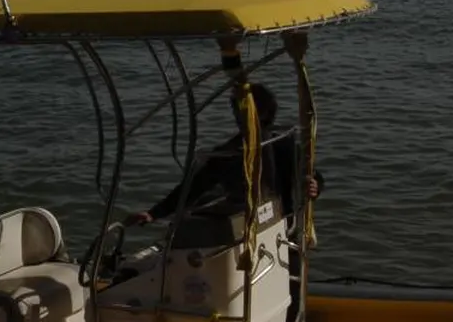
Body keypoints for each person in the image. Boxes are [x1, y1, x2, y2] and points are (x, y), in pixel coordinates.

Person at [125, 83, 321, 228]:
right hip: (245, 225)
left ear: (263, 113)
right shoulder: (229, 151)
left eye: (243, 110)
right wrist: (153, 213)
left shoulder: (282, 143)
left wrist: (314, 185)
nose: (238, 115)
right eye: (235, 110)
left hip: (282, 224)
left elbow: (312, 174)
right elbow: (194, 186)